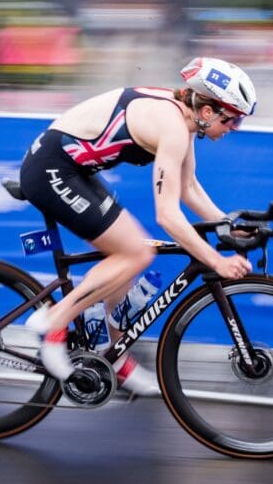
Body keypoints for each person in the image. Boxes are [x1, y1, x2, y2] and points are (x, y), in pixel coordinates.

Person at [20, 57, 257, 395]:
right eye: (232, 120)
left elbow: (188, 189)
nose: (234, 128)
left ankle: (113, 356)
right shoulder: (173, 126)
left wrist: (228, 227)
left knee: (132, 253)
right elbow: (168, 216)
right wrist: (215, 260)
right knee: (135, 253)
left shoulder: (185, 121)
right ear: (207, 111)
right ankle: (52, 325)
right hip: (51, 169)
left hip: (73, 168)